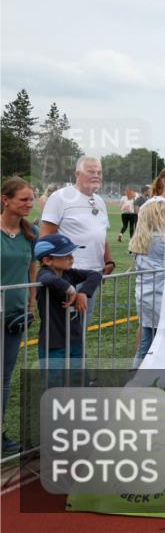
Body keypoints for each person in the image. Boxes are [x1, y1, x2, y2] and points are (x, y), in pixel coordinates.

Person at [34, 234, 102, 387]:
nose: (72, 258)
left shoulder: (69, 273)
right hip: (53, 342)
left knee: (79, 380)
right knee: (55, 385)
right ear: (47, 260)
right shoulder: (45, 273)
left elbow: (95, 274)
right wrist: (71, 290)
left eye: (71, 254)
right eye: (66, 256)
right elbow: (47, 280)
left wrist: (83, 292)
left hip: (75, 339)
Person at [40, 156, 115, 288]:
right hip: (69, 273)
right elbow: (46, 238)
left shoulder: (100, 201)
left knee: (87, 310)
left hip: (94, 273)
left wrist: (108, 261)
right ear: (77, 174)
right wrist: (54, 271)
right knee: (67, 309)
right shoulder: (59, 197)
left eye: (99, 172)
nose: (96, 175)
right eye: (91, 172)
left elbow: (102, 235)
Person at [1, 178, 37, 452]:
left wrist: (32, 301)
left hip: (14, 317)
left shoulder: (30, 233)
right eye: (23, 199)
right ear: (5, 200)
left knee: (4, 377)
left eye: (31, 199)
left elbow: (32, 269)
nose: (29, 203)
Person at [129, 197, 165, 368]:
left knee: (145, 344)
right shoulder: (160, 240)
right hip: (160, 297)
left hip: (145, 297)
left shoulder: (141, 238)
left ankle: (133, 378)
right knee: (161, 344)